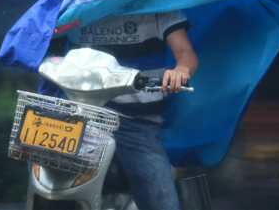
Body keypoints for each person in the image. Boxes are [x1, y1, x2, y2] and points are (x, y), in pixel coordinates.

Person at [42, 12, 198, 210]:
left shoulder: (160, 6)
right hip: (81, 118)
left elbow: (186, 52)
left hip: (137, 124)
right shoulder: (76, 6)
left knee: (163, 204)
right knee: (50, 189)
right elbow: (43, 43)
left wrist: (181, 70)